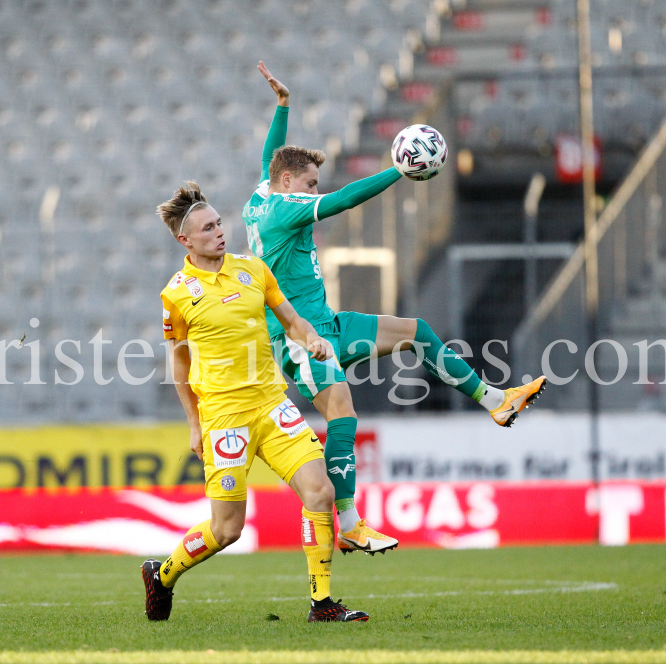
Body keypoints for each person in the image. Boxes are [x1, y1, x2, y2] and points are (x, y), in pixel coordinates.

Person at [242, 62, 546, 553]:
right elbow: (341, 202)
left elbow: (266, 160)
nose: (314, 192)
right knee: (343, 410)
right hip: (300, 339)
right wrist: (398, 171)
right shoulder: (283, 209)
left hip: (330, 325)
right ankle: (350, 521)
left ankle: (496, 401)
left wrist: (283, 106)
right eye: (309, 183)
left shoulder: (261, 196)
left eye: (315, 185)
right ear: (288, 181)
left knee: (415, 330)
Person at [141, 182, 368, 623]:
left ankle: (322, 604)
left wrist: (312, 337)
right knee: (227, 529)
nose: (219, 233)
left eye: (220, 224)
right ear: (184, 240)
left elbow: (291, 319)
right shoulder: (177, 294)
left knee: (320, 492)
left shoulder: (254, 269)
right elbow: (181, 366)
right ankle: (162, 574)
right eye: (207, 229)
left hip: (271, 405)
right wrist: (194, 423)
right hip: (224, 417)